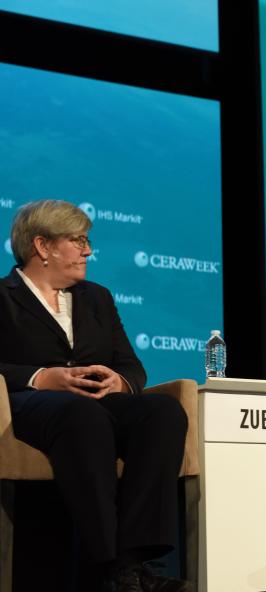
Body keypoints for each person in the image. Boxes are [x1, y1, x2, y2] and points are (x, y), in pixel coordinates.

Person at [0, 200, 190, 592]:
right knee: (80, 414)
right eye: (78, 241)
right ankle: (104, 561)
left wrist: (118, 382)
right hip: (26, 404)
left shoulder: (96, 297)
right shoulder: (3, 296)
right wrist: (41, 377)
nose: (88, 251)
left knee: (162, 412)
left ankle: (132, 562)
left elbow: (132, 365)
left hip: (95, 405)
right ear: (43, 246)